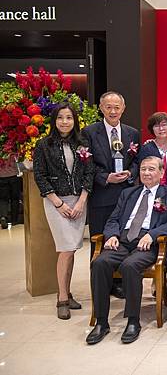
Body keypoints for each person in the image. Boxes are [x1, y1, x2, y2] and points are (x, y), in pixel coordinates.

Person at [86, 156, 167, 345]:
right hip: (122, 241)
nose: (146, 173)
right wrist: (112, 235)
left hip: (148, 244)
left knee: (130, 266)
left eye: (152, 169)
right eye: (144, 169)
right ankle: (101, 322)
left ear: (162, 172)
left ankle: (133, 321)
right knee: (99, 263)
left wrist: (153, 234)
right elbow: (113, 219)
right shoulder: (128, 193)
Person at [33, 103, 95, 320]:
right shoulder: (44, 145)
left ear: (74, 120)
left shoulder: (82, 143)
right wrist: (58, 203)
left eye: (69, 117)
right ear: (54, 121)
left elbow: (90, 173)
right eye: (61, 118)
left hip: (79, 201)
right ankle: (61, 298)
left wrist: (81, 201)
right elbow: (39, 176)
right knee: (66, 249)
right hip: (56, 202)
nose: (65, 122)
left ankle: (67, 292)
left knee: (73, 248)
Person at [82, 91, 139, 299]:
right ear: (101, 108)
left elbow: (137, 162)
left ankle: (119, 282)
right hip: (102, 196)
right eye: (108, 107)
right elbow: (85, 164)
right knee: (100, 241)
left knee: (123, 241)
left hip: (126, 196)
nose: (113, 111)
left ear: (123, 109)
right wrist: (106, 177)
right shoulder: (89, 132)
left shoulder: (132, 133)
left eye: (117, 107)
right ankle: (100, 286)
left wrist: (130, 174)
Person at [0, 159, 22, 229]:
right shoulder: (13, 148)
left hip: (1, 177)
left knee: (3, 199)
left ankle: (4, 217)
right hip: (14, 176)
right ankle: (14, 221)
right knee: (15, 199)